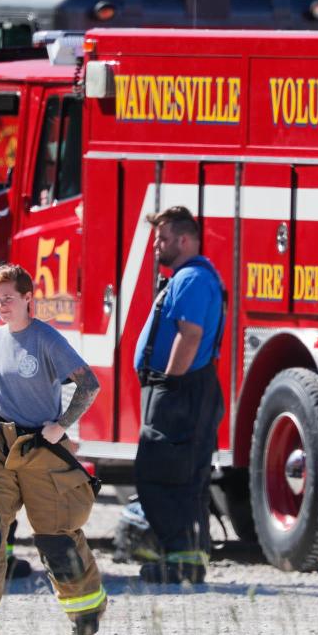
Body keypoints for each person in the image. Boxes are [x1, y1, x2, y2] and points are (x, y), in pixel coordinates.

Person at [0, 264, 105, 635]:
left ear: (27, 300)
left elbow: (90, 385)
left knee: (56, 537)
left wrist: (61, 425)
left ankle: (86, 609)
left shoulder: (46, 339)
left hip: (41, 449)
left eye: (9, 298)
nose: (2, 305)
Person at [133, 205, 226, 585]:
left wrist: (169, 383)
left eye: (163, 238)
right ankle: (183, 557)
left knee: (162, 470)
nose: (157, 245)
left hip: (181, 390)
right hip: (188, 388)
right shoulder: (191, 277)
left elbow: (190, 336)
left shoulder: (190, 279)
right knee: (181, 473)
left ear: (184, 241)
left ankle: (181, 559)